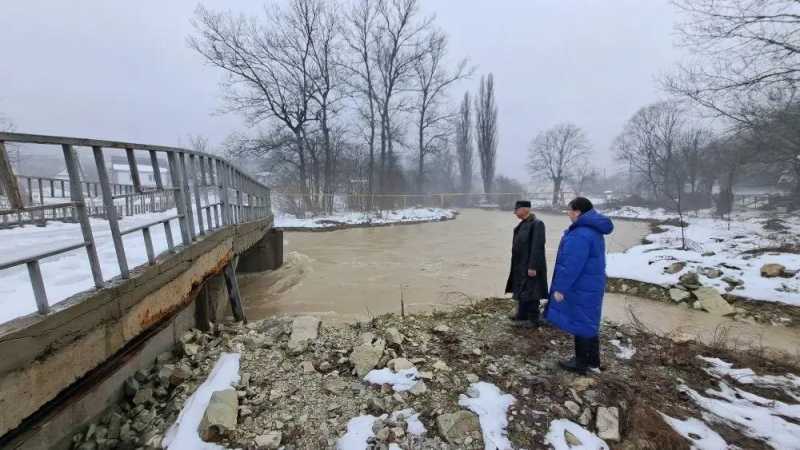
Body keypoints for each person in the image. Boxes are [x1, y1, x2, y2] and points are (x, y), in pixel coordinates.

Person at [546, 197, 614, 374]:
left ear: (577, 212)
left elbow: (571, 266)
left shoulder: (580, 234)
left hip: (581, 286)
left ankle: (581, 362)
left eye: (569, 210)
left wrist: (560, 288)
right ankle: (593, 361)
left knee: (580, 321)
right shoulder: (592, 230)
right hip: (590, 284)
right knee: (588, 320)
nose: (568, 214)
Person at [505, 200, 548, 328]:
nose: (515, 213)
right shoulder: (523, 224)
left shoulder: (537, 224)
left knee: (532, 290)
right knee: (522, 289)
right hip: (520, 264)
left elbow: (537, 246)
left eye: (517, 210)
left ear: (525, 209)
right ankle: (522, 314)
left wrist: (533, 266)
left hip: (530, 265)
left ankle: (534, 319)